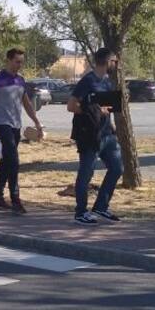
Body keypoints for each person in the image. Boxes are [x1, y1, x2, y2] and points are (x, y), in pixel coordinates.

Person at [0, 48, 44, 214]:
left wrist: (37, 123)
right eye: (17, 61)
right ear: (8, 60)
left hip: (16, 125)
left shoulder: (20, 81)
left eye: (22, 62)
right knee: (14, 160)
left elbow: (27, 104)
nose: (20, 65)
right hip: (2, 124)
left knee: (6, 160)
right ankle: (15, 198)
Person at [67, 47, 124, 225]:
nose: (116, 65)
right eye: (115, 61)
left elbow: (107, 108)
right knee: (86, 173)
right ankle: (80, 212)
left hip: (107, 134)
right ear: (107, 62)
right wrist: (92, 109)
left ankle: (101, 206)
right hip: (90, 135)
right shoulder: (87, 81)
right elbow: (71, 106)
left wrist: (112, 125)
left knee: (117, 168)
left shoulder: (107, 82)